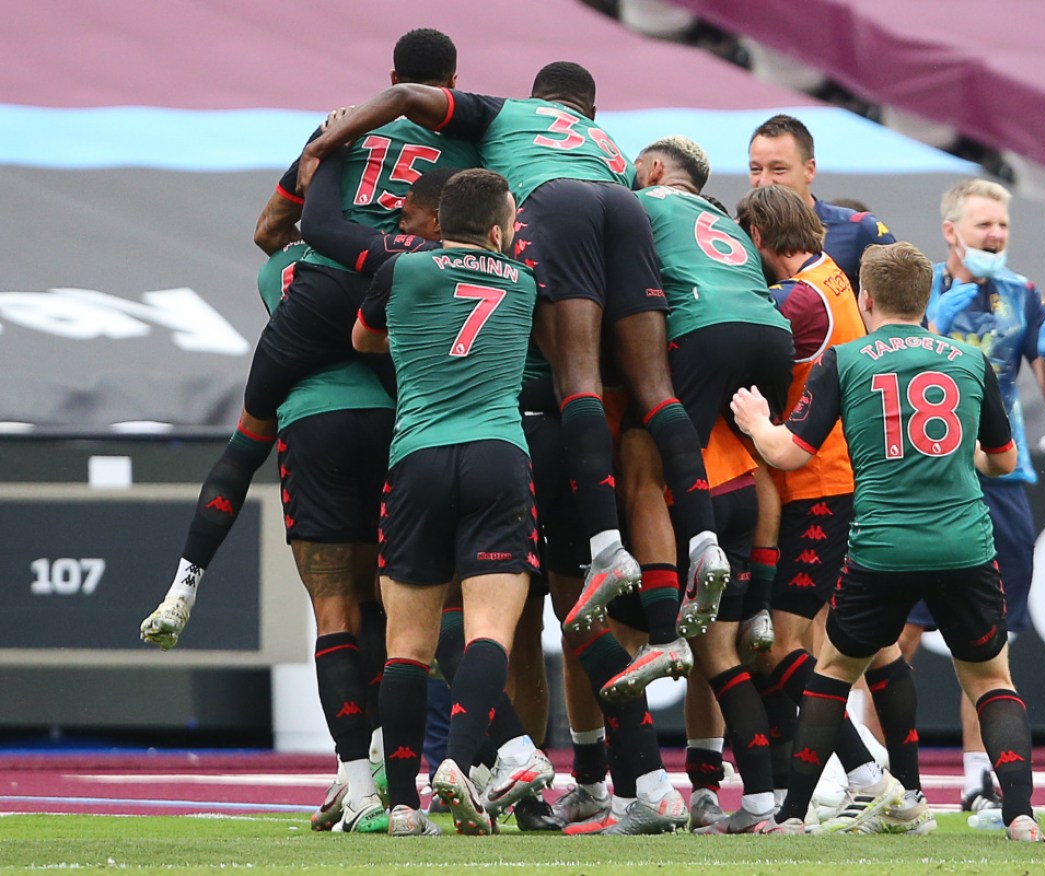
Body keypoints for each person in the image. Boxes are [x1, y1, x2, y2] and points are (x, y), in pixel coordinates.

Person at [296, 61, 730, 654]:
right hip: (621, 207)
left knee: (576, 379)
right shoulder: (607, 144)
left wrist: (327, 141)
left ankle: (609, 549)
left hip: (554, 213)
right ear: (590, 113)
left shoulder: (506, 113)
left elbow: (401, 95)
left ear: (536, 97)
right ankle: (706, 543)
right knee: (656, 389)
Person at [140, 28, 477, 650]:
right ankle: (452, 616)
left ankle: (185, 581)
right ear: (452, 84)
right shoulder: (472, 142)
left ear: (392, 72)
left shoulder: (342, 131)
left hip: (316, 299)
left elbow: (270, 230)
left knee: (244, 444)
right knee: (433, 433)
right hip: (400, 297)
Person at [732, 240, 1045, 842]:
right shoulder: (967, 360)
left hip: (883, 547)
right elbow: (1003, 461)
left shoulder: (846, 361)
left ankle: (794, 816)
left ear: (867, 299)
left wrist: (755, 421)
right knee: (989, 681)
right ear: (927, 298)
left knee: (832, 672)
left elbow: (787, 454)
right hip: (964, 545)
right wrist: (965, 455)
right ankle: (1021, 816)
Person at [350, 168, 545, 838]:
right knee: (489, 629)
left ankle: (402, 806)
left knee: (406, 644)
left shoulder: (400, 270)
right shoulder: (522, 281)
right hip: (497, 455)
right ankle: (459, 765)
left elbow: (362, 338)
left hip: (417, 459)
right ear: (497, 231)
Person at [735, 186, 925, 831]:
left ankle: (868, 775)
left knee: (780, 645)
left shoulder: (799, 298)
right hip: (844, 482)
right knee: (871, 646)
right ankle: (908, 789)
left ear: (760, 236)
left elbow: (750, 353)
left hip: (818, 485)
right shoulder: (833, 279)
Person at [898, 178, 1045, 816]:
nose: (996, 237)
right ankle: (892, 774)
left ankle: (981, 776)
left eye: (1002, 226)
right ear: (951, 232)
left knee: (988, 638)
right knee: (900, 630)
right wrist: (936, 327)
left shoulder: (1024, 294)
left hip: (1001, 479)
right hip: (926, 477)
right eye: (984, 228)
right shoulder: (917, 291)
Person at [597, 136, 794, 697]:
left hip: (704, 328)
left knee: (641, 458)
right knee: (753, 458)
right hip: (767, 331)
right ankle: (757, 607)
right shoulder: (726, 219)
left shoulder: (639, 203)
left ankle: (663, 631)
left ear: (654, 170)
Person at [747, 114, 896, 293]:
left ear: (809, 170)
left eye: (778, 169)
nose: (764, 181)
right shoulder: (736, 236)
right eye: (755, 169)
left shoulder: (859, 229)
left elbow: (905, 312)